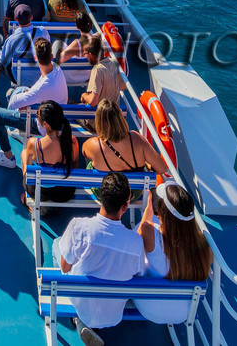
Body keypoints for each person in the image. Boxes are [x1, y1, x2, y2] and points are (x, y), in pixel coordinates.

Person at [53, 171, 148, 346]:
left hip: (83, 305)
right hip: (114, 315)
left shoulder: (78, 227)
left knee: (57, 244)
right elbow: (139, 273)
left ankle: (79, 319)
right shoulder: (135, 243)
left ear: (101, 198)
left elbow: (65, 268)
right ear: (125, 206)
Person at [132, 182, 212, 325]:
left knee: (139, 232)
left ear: (162, 211)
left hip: (149, 308)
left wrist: (148, 214)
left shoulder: (150, 233)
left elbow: (131, 247)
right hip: (183, 314)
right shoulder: (203, 243)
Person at [0, 37, 68, 168]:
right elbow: (37, 91)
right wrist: (26, 95)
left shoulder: (42, 87)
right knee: (18, 90)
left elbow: (14, 103)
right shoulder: (57, 70)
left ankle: (7, 157)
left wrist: (24, 99)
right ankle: (16, 128)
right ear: (51, 56)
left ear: (35, 58)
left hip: (41, 125)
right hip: (57, 115)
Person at [81, 99, 170, 176]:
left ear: (99, 121)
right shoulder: (137, 139)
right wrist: (146, 163)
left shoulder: (93, 144)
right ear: (120, 118)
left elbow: (84, 152)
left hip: (105, 192)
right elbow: (162, 168)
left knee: (91, 161)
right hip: (133, 192)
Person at [20, 100, 78, 210]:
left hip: (40, 193)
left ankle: (28, 198)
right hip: (64, 193)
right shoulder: (72, 141)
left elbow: (29, 173)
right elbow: (75, 165)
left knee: (24, 153)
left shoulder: (34, 143)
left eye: (38, 114)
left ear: (45, 124)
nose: (37, 115)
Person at [0, 3, 39, 104]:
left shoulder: (12, 39)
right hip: (39, 74)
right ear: (31, 17)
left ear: (16, 20)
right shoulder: (43, 31)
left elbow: (3, 62)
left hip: (20, 76)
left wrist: (5, 50)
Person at [80, 36, 126, 108]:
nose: (85, 56)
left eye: (85, 53)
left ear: (91, 54)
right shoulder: (114, 63)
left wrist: (84, 95)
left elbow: (93, 102)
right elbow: (123, 85)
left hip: (100, 115)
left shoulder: (97, 70)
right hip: (114, 113)